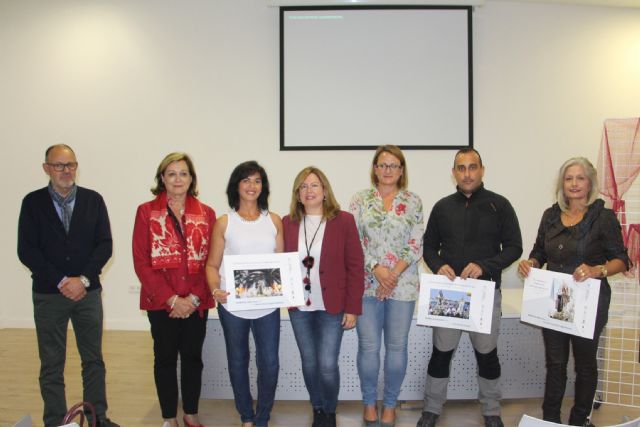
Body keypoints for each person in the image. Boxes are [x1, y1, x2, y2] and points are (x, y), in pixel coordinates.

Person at [518, 157, 629, 426]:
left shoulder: (603, 217)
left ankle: (580, 420)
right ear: (562, 183)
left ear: (590, 183)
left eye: (580, 178)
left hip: (589, 301)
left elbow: (622, 260)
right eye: (569, 178)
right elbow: (539, 253)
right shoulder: (550, 215)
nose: (574, 184)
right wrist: (530, 263)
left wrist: (596, 270)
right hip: (554, 300)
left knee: (585, 364)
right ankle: (552, 420)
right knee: (555, 364)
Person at [418, 148, 522, 427]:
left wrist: (486, 266)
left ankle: (491, 412)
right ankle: (431, 409)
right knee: (441, 353)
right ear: (454, 172)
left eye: (472, 167)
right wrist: (438, 265)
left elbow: (514, 248)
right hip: (448, 294)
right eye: (461, 168)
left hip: (485, 293)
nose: (467, 173)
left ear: (482, 170)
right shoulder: (442, 207)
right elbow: (428, 247)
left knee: (487, 355)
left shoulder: (500, 205)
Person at [17, 144, 119, 427]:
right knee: (51, 364)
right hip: (49, 295)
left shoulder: (93, 200)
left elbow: (105, 244)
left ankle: (97, 418)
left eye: (71, 165)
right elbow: (27, 250)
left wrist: (83, 279)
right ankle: (56, 422)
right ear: (46, 168)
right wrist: (62, 281)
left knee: (94, 361)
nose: (66, 171)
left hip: (87, 292)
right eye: (59, 165)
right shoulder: (32, 203)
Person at [132, 152, 215, 427]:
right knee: (164, 360)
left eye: (183, 173)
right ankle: (169, 417)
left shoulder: (206, 214)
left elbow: (212, 262)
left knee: (193, 359)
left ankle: (191, 413)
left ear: (192, 179)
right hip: (161, 303)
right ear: (162, 178)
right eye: (171, 173)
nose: (178, 179)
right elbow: (142, 261)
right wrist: (171, 299)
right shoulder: (146, 212)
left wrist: (191, 298)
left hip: (195, 302)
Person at [349, 145, 424, 427]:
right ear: (375, 168)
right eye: (382, 165)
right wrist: (377, 270)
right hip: (367, 285)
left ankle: (390, 405)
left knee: (396, 347)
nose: (387, 170)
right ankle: (370, 403)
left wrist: (392, 275)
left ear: (401, 170)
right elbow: (353, 241)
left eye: (393, 165)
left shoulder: (414, 201)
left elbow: (416, 243)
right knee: (368, 347)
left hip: (402, 285)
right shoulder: (359, 200)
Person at [283, 167, 364, 427]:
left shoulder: (344, 221)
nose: (309, 191)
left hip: (332, 306)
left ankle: (329, 409)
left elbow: (355, 266)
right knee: (309, 363)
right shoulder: (287, 223)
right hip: (299, 307)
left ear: (325, 190)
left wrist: (352, 308)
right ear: (297, 194)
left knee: (327, 364)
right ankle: (317, 407)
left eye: (314, 185)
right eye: (303, 186)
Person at [205, 161, 284, 427]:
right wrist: (216, 290)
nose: (252, 186)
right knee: (238, 362)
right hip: (233, 306)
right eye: (246, 180)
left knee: (270, 364)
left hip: (268, 307)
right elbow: (212, 265)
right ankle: (246, 417)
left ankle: (262, 416)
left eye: (257, 180)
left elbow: (281, 264)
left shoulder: (274, 220)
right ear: (236, 186)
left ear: (264, 186)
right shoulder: (224, 222)